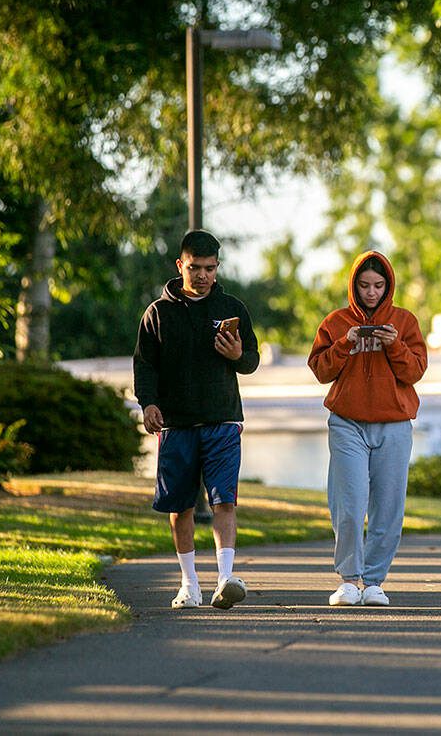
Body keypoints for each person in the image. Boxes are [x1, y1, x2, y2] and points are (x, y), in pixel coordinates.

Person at [133, 229, 260, 610]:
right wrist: (148, 404)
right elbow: (144, 365)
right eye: (194, 267)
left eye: (209, 268)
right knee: (180, 506)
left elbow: (250, 361)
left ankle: (225, 579)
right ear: (180, 265)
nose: (202, 275)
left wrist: (238, 353)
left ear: (217, 268)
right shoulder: (158, 312)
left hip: (222, 420)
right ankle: (189, 584)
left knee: (225, 501)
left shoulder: (231, 307)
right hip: (176, 424)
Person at [308, 251, 428, 606]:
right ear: (354, 286)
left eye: (378, 286)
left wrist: (395, 345)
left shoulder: (405, 321)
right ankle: (348, 580)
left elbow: (415, 372)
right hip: (348, 423)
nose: (371, 292)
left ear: (388, 286)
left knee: (388, 506)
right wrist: (345, 343)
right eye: (364, 286)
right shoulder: (336, 321)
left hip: (394, 424)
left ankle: (374, 581)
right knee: (349, 502)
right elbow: (320, 370)